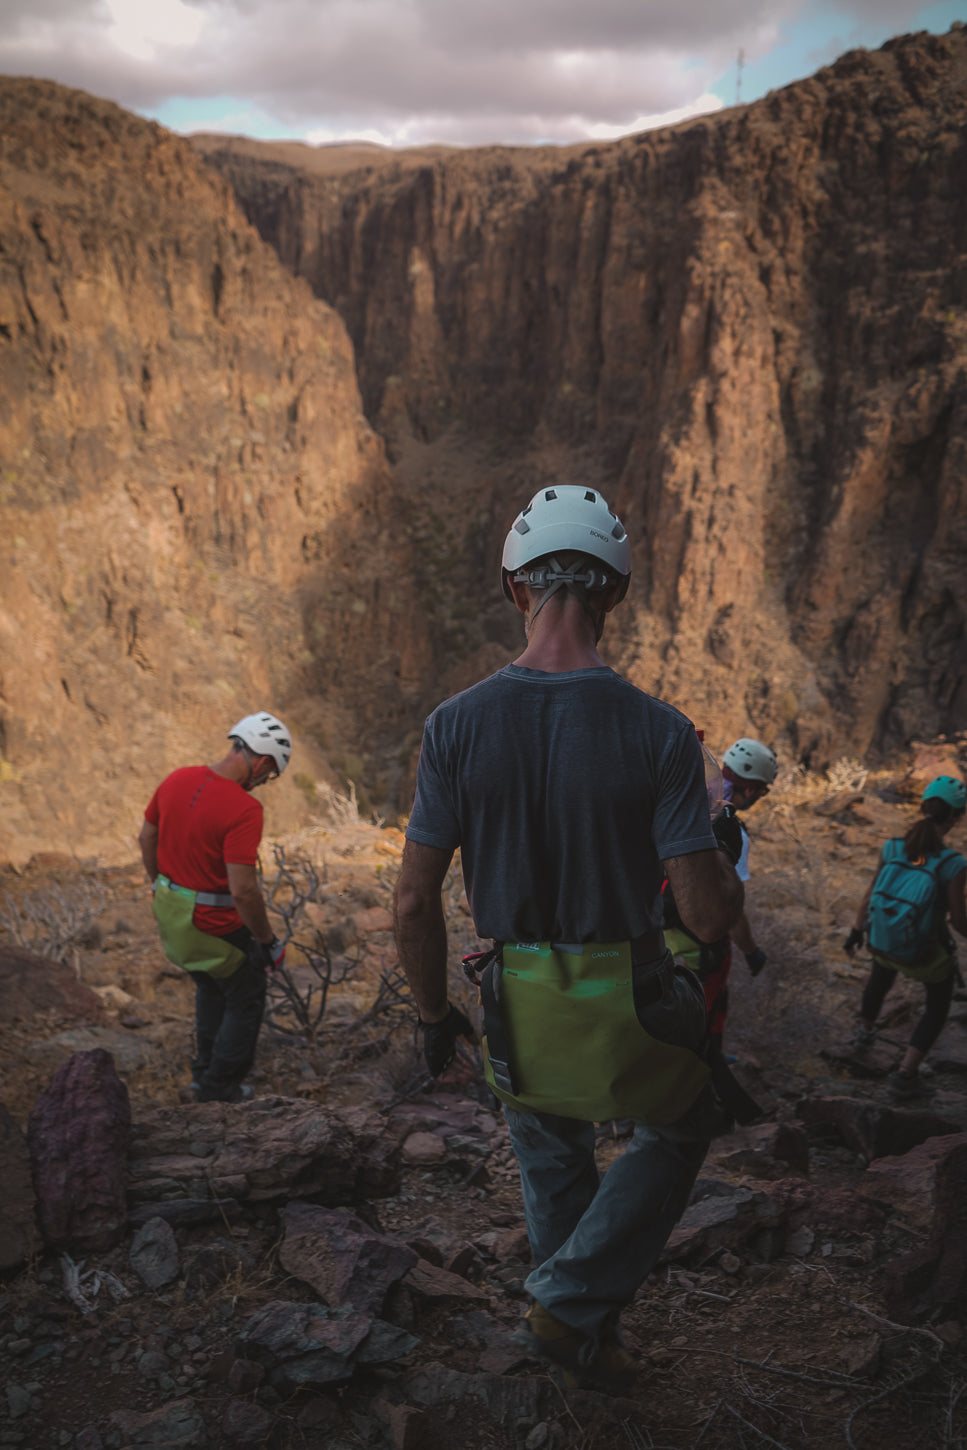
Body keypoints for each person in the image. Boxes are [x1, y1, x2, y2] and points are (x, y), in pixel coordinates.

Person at [393, 486, 743, 1392]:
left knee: (552, 1164)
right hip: (629, 995)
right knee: (686, 1118)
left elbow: (412, 903)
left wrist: (433, 1015)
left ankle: (575, 1329)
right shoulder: (663, 732)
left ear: (518, 591)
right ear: (613, 597)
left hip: (515, 998)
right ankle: (574, 1309)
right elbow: (707, 919)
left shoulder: (453, 726)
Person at [138, 712, 291, 1103]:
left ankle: (202, 1074)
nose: (263, 784)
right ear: (262, 762)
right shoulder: (244, 809)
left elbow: (147, 836)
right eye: (268, 775)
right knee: (245, 991)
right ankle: (219, 1087)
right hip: (213, 925)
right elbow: (243, 891)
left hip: (172, 916)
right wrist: (267, 940)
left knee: (209, 988)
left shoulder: (178, 778)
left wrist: (158, 882)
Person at [845, 776, 967, 1099]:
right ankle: (905, 1076)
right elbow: (957, 921)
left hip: (881, 944)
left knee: (879, 978)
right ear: (956, 817)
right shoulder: (954, 864)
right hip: (923, 956)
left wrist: (855, 932)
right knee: (939, 1005)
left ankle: (863, 1034)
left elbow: (870, 893)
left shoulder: (893, 847)